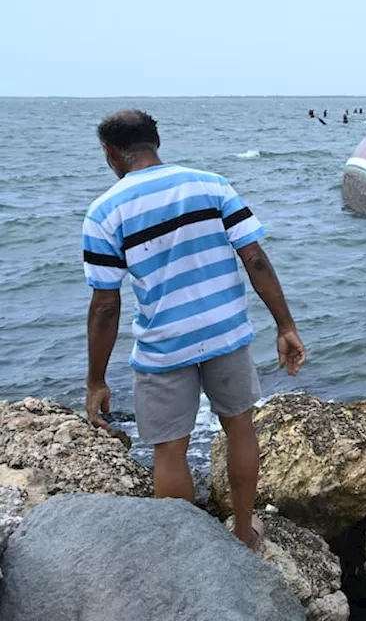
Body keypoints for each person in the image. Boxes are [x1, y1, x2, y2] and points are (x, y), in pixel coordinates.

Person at [82, 109, 305, 550]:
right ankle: (244, 532)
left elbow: (106, 305)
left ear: (111, 152)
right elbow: (255, 258)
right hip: (226, 333)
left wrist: (96, 380)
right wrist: (286, 325)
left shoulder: (104, 211)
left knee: (169, 449)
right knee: (240, 429)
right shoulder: (211, 184)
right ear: (156, 141)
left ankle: (187, 554)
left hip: (164, 347)